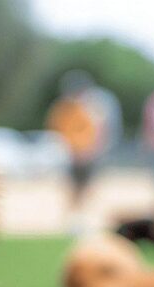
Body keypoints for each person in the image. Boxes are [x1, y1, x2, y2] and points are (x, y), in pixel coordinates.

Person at [47, 71, 104, 231]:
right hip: (71, 154)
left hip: (86, 154)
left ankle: (80, 219)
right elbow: (59, 130)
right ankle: (72, 220)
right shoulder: (63, 109)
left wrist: (90, 150)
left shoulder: (90, 109)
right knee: (72, 188)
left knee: (84, 188)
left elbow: (96, 132)